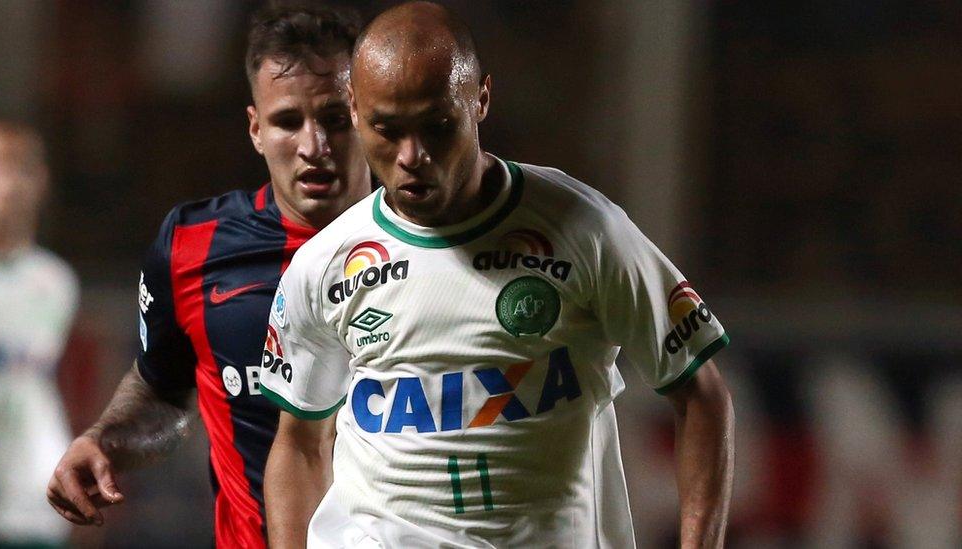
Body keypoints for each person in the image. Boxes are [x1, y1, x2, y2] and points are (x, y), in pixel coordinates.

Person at [259, 2, 735, 548]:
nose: (412, 155)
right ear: (355, 109)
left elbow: (700, 394)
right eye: (388, 130)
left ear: (480, 99)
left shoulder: (583, 229)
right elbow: (298, 442)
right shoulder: (325, 264)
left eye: (436, 127)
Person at [45, 4, 371, 547]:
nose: (313, 146)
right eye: (288, 121)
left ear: (367, 115)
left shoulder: (424, 241)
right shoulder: (193, 246)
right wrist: (105, 440)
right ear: (256, 130)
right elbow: (162, 391)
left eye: (336, 119)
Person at [0, 122, 79, 547]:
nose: (8, 184)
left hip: (31, 507)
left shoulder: (56, 282)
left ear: (41, 180)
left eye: (20, 168)